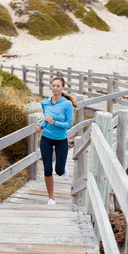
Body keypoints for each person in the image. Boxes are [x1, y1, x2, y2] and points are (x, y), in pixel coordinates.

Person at [35, 76, 77, 205]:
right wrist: (40, 126)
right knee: (47, 169)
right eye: (53, 85)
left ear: (63, 88)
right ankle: (51, 198)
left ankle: (63, 169)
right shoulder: (45, 103)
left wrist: (55, 122)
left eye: (58, 86)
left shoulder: (67, 104)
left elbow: (69, 124)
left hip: (61, 140)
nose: (55, 88)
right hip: (46, 138)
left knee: (59, 170)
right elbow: (45, 119)